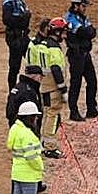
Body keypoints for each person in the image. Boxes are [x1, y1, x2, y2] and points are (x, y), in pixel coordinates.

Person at [29, 18, 68, 159]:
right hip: (53, 88)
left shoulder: (42, 45)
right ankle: (49, 147)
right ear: (57, 32)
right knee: (52, 115)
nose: (64, 36)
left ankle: (42, 142)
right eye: (63, 32)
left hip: (44, 86)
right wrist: (63, 89)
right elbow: (56, 69)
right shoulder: (53, 48)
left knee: (45, 114)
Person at [8, 102, 45, 194]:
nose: (36, 119)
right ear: (29, 117)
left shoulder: (15, 129)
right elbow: (32, 157)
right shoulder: (27, 134)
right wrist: (40, 167)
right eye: (35, 117)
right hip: (29, 175)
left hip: (17, 173)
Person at [63, 0, 98, 121]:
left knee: (92, 81)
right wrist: (87, 32)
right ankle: (73, 112)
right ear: (76, 5)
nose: (85, 9)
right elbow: (84, 32)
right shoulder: (69, 18)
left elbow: (92, 32)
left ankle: (91, 109)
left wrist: (88, 32)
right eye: (83, 6)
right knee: (76, 84)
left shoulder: (82, 17)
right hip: (76, 55)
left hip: (85, 54)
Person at [1, 0, 31, 92]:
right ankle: (12, 90)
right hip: (14, 37)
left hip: (23, 36)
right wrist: (23, 18)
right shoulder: (9, 2)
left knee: (32, 60)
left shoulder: (21, 2)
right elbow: (7, 20)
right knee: (14, 66)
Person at [5, 64, 43, 128]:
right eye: (40, 77)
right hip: (25, 125)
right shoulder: (29, 91)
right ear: (36, 76)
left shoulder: (18, 86)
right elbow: (31, 113)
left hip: (15, 124)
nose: (41, 80)